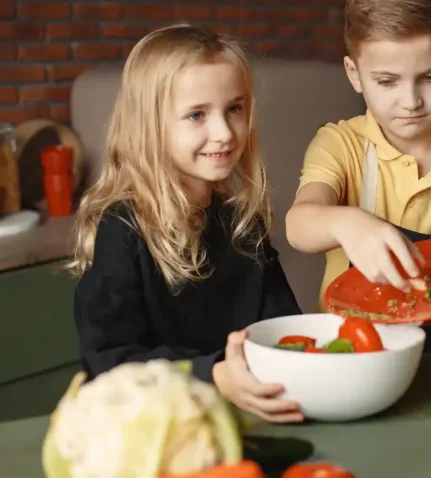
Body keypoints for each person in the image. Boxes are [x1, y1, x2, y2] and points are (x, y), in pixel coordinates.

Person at [68, 24, 303, 424]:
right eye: (197, 115)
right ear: (149, 125)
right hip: (153, 428)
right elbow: (111, 362)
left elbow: (286, 332)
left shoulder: (242, 223)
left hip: (239, 419)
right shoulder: (122, 228)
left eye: (235, 108)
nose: (225, 133)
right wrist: (212, 374)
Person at [285, 0, 431, 352]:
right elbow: (298, 225)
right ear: (354, 74)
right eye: (387, 81)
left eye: (430, 77)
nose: (411, 101)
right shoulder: (340, 145)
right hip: (361, 357)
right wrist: (349, 223)